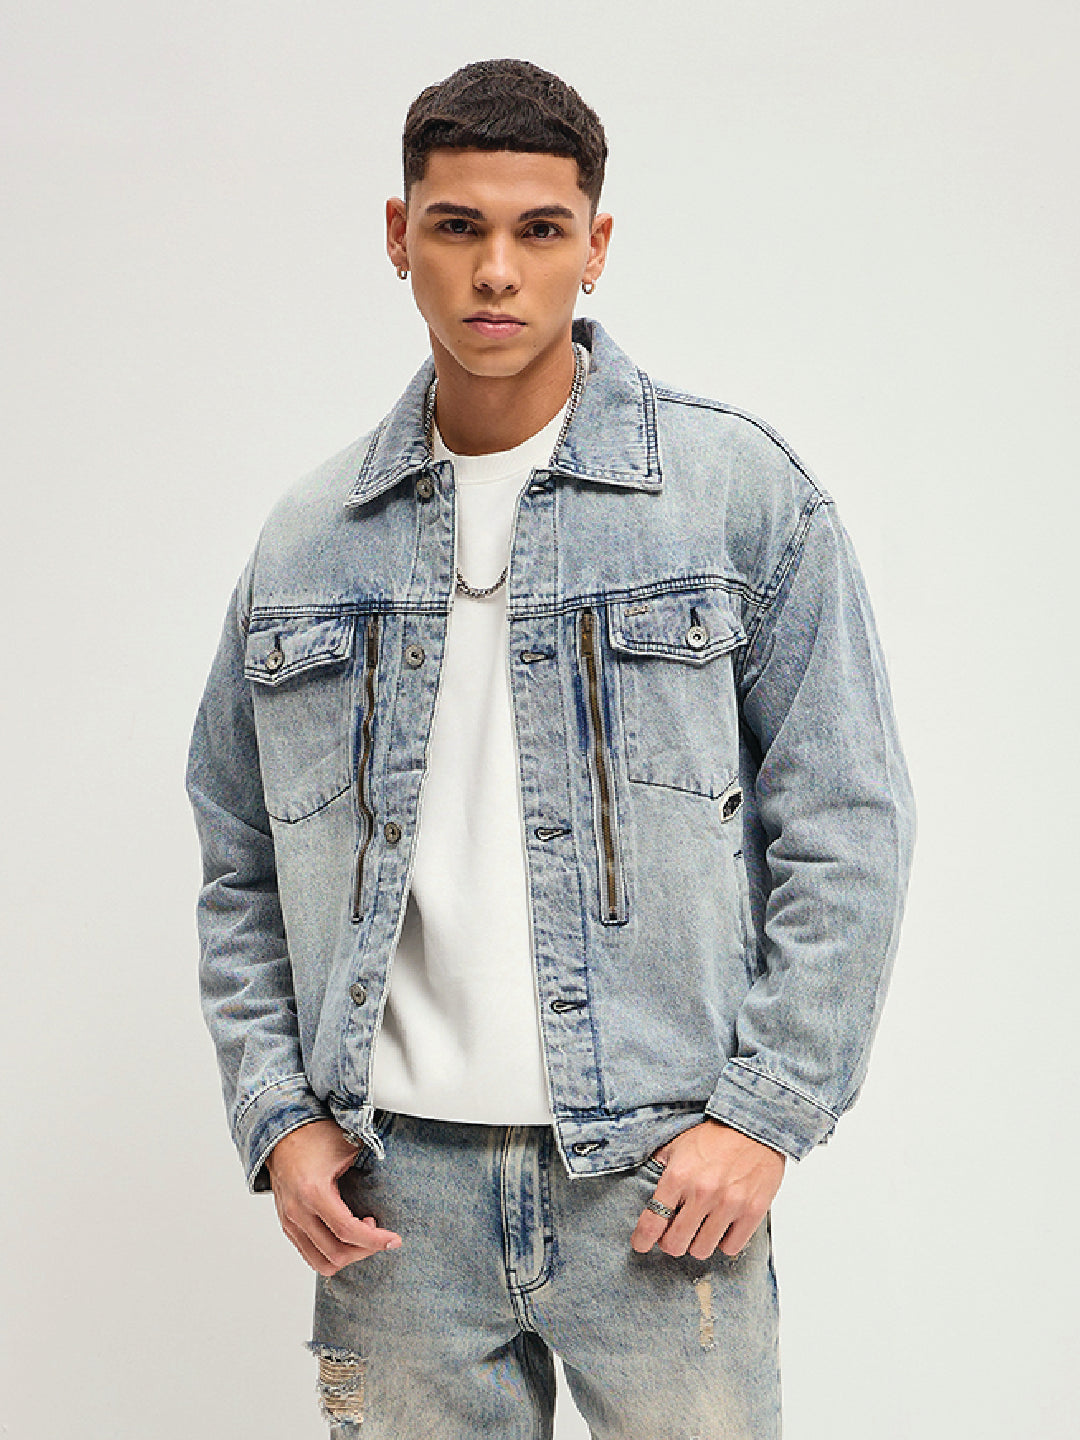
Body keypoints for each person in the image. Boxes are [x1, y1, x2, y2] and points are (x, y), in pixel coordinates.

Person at [187, 57, 915, 1439]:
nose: (495, 271)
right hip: (392, 1205)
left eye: (539, 230)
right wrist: (278, 1115)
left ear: (596, 244)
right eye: (457, 226)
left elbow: (849, 822)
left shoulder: (733, 496)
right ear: (398, 235)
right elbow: (238, 858)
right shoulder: (307, 540)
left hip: (659, 1183)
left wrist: (764, 1113)